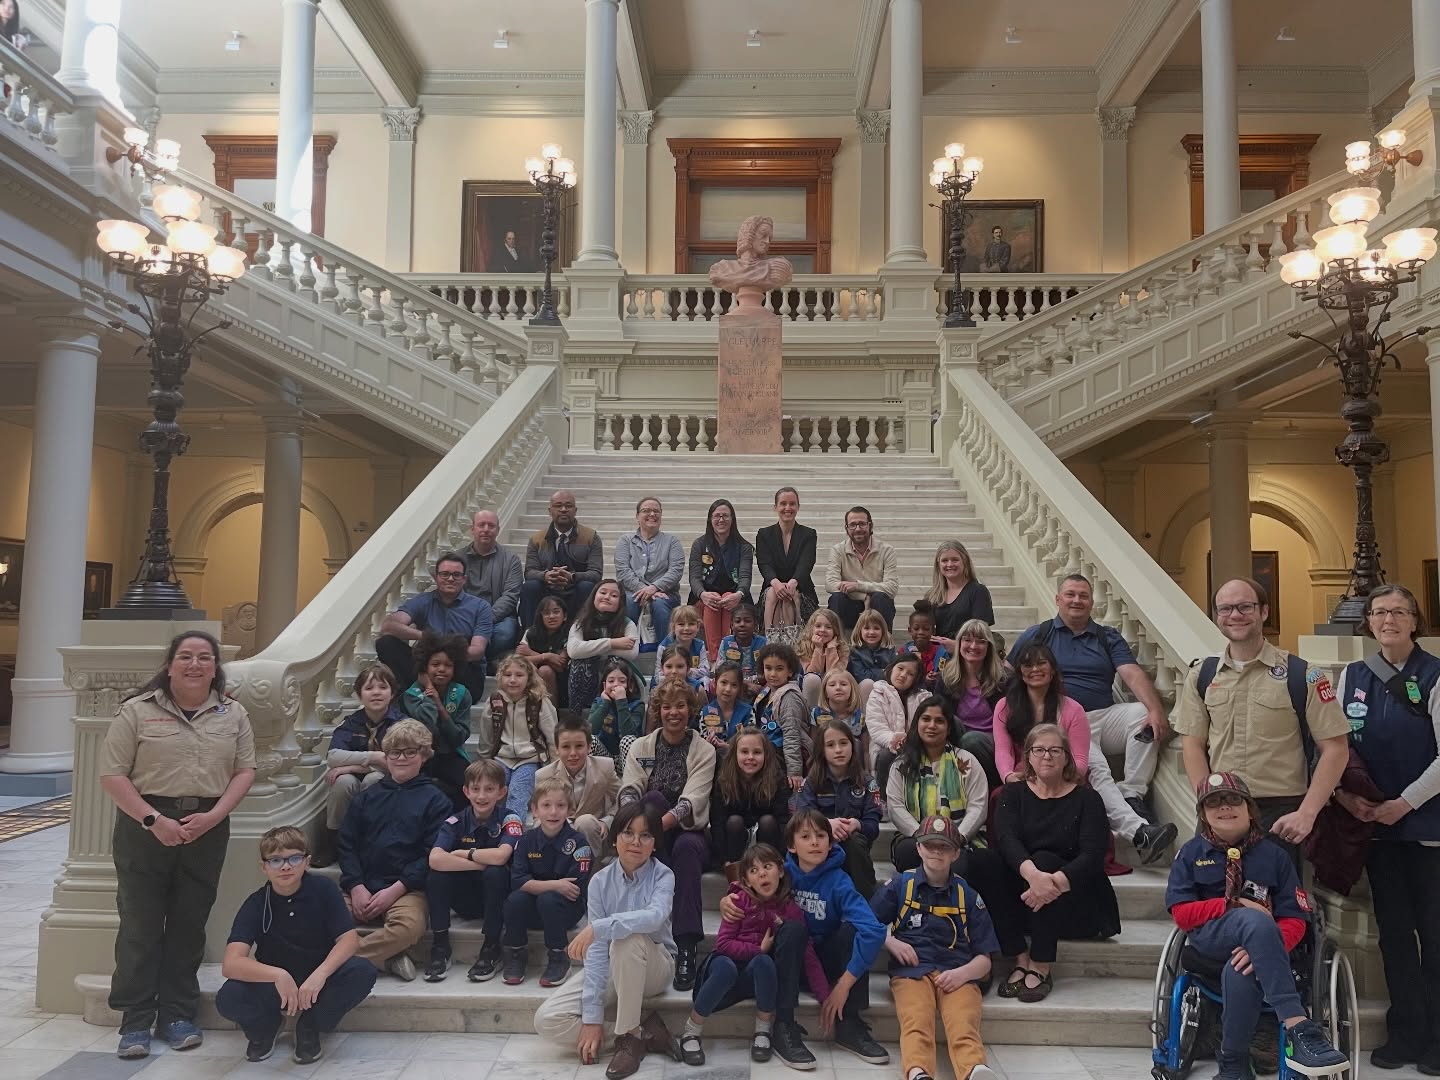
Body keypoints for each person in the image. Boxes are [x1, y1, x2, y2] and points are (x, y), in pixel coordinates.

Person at [99, 631, 257, 1058]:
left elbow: (244, 771)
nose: (194, 664)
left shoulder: (234, 714)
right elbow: (113, 775)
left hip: (206, 826)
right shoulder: (135, 712)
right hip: (144, 825)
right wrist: (154, 820)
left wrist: (214, 816)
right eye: (185, 656)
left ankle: (177, 1015)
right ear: (170, 665)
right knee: (140, 924)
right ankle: (135, 1021)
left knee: (189, 924)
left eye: (204, 657)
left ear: (215, 667)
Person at [1167, 773, 1349, 1080]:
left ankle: (1233, 1066)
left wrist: (1264, 948)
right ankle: (1298, 1028)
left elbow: (1295, 918)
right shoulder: (1189, 854)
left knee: (1240, 970)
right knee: (1252, 917)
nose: (1224, 808)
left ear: (1250, 809)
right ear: (1203, 815)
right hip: (1211, 938)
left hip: (1264, 949)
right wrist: (1230, 905)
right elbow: (1183, 915)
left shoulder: (1276, 856)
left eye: (1233, 800)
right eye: (1213, 803)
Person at [1333, 585, 1440, 1072]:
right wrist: (1343, 796)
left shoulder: (1435, 674)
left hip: (1427, 830)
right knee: (1394, 934)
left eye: (1398, 611)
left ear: (1414, 620)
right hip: (1375, 830)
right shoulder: (1352, 677)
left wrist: (1406, 803)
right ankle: (1406, 1033)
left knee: (1435, 935)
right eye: (1378, 613)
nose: (1387, 619)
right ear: (1368, 623)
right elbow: (1331, 746)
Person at [1176, 577, 1349, 863]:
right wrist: (1206, 801)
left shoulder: (1303, 675)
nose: (1235, 615)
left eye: (1245, 606)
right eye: (1226, 608)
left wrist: (1307, 813)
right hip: (1220, 809)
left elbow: (1336, 749)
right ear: (1217, 616)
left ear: (1264, 611)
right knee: (1215, 902)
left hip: (1280, 816)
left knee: (1280, 905)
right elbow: (1192, 745)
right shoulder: (1202, 675)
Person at [966, 724, 1120, 1004]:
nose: (1046, 756)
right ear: (1028, 757)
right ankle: (1019, 956)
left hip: (1074, 899)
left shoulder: (1087, 798)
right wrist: (1034, 876)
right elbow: (1006, 840)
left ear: (1066, 758)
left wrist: (1053, 882)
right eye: (1039, 750)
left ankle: (1041, 963)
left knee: (1046, 859)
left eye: (1055, 750)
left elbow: (1093, 854)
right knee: (983, 860)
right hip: (1026, 897)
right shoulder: (1012, 795)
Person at [533, 803, 683, 1080]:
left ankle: (628, 1036)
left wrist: (599, 927)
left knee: (627, 940)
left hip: (656, 966)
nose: (636, 842)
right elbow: (599, 950)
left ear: (654, 844)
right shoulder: (600, 881)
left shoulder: (664, 875)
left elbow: (653, 918)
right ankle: (642, 1033)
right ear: (614, 838)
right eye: (628, 833)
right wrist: (591, 1018)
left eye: (645, 835)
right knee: (547, 1020)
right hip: (616, 964)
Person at [992, 643, 1176, 864]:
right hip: (1024, 775)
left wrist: (1058, 776)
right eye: (1028, 664)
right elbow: (1002, 750)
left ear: (1053, 670)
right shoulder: (1005, 706)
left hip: (1062, 773)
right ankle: (1138, 831)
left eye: (1041, 663)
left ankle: (1137, 827)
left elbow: (1079, 760)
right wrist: (1009, 776)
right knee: (1000, 797)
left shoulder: (1072, 709)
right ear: (1020, 671)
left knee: (1094, 782)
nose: (1035, 669)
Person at [1009, 573, 1167, 821]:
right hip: (1064, 720)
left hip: (1104, 716)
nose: (1077, 600)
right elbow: (1010, 671)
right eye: (1070, 594)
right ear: (1058, 599)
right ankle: (1135, 826)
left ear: (1092, 602)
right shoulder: (1038, 634)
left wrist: (1156, 710)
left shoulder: (1107, 636)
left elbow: (1132, 674)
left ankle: (1132, 793)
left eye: (1083, 595)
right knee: (1098, 766)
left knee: (1141, 713)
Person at [216, 827, 375, 1066]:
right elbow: (231, 963)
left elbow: (349, 939)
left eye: (294, 858)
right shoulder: (256, 903)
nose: (285, 867)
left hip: (318, 980)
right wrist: (278, 975)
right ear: (264, 867)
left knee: (362, 971)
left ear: (306, 862)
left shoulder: (324, 890)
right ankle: (266, 1027)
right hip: (276, 985)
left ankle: (310, 1026)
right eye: (276, 860)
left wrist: (320, 974)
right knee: (228, 997)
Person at [871, 815, 1000, 1080]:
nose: (936, 852)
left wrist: (963, 974)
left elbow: (985, 959)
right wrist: (890, 941)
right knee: (917, 1020)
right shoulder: (900, 885)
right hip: (911, 973)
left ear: (955, 853)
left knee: (963, 1021)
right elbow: (867, 922)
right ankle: (918, 1073)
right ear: (918, 848)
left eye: (945, 847)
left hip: (957, 973)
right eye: (930, 845)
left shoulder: (968, 896)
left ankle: (974, 1070)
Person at [682, 842, 829, 1066]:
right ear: (747, 881)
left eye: (767, 866)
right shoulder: (738, 902)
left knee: (764, 963)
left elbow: (806, 952)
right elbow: (723, 944)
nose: (761, 873)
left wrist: (824, 995)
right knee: (728, 968)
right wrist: (757, 949)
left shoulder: (789, 910)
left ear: (780, 871)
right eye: (753, 870)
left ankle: (763, 1030)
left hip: (753, 973)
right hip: (724, 963)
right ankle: (691, 1030)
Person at [768, 810, 889, 1066]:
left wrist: (843, 985)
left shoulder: (839, 881)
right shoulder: (780, 875)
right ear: (791, 846)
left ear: (830, 842)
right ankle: (783, 1025)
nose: (815, 842)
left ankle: (849, 1024)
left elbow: (874, 930)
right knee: (792, 930)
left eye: (821, 836)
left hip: (824, 963)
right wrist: (727, 900)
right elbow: (746, 891)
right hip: (788, 963)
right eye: (806, 836)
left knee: (853, 930)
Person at [618, 680, 718, 991]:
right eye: (666, 706)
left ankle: (686, 946)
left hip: (690, 832)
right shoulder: (641, 746)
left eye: (680, 706)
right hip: (649, 833)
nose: (673, 712)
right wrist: (637, 828)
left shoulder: (705, 750)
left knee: (686, 848)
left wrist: (650, 829)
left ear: (691, 710)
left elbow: (692, 801)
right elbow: (629, 790)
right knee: (653, 800)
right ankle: (652, 934)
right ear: (658, 710)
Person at [337, 719, 453, 983]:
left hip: (405, 889)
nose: (401, 758)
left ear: (424, 756)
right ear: (386, 756)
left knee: (408, 928)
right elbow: (346, 843)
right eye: (395, 752)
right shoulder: (366, 797)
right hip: (362, 885)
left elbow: (430, 854)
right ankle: (387, 958)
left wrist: (397, 888)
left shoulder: (437, 801)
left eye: (410, 752)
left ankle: (336, 961)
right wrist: (355, 886)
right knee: (319, 917)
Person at [423, 759, 523, 983]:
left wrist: (464, 854)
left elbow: (502, 856)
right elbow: (435, 859)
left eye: (489, 789)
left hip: (498, 899)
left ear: (502, 792)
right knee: (436, 875)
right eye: (476, 789)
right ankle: (440, 945)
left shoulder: (510, 819)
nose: (481, 796)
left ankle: (491, 946)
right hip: (466, 900)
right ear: (466, 791)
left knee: (496, 873)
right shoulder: (455, 821)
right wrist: (482, 861)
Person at [503, 778, 593, 987]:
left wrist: (538, 886)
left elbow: (573, 889)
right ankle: (516, 954)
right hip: (532, 911)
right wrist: (555, 884)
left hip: (565, 911)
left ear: (570, 810)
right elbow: (517, 881)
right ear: (534, 810)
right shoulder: (526, 841)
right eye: (546, 805)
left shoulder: (579, 844)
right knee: (515, 900)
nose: (553, 812)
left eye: (560, 805)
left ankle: (558, 957)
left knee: (548, 900)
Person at [887, 697, 989, 874]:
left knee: (965, 861)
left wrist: (956, 837)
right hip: (916, 838)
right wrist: (923, 836)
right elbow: (895, 806)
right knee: (906, 852)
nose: (932, 725)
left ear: (949, 728)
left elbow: (978, 806)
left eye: (939, 721)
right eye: (926, 719)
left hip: (959, 839)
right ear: (917, 723)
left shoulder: (966, 761)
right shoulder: (902, 765)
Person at [377, 552, 494, 702]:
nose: (450, 579)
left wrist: (444, 658)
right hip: (428, 668)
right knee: (386, 643)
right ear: (435, 577)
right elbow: (389, 625)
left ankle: (422, 691)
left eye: (456, 575)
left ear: (464, 579)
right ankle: (418, 691)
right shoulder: (423, 601)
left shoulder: (480, 607)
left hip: (462, 671)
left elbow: (477, 651)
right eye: (445, 574)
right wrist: (425, 636)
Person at [319, 661, 402, 866]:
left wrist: (351, 765)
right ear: (359, 695)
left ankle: (368, 840)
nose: (376, 693)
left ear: (392, 694)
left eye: (383, 687)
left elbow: (394, 762)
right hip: (358, 776)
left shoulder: (401, 724)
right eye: (369, 688)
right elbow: (333, 757)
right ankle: (335, 840)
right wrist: (374, 757)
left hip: (389, 781)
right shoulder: (351, 722)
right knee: (342, 783)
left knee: (373, 780)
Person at [798, 720, 881, 899]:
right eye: (830, 745)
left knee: (855, 841)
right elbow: (802, 816)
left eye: (843, 743)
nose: (838, 750)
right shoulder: (812, 781)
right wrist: (826, 825)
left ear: (853, 746)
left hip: (854, 849)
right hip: (820, 844)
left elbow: (873, 827)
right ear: (822, 750)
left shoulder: (868, 783)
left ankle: (866, 900)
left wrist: (857, 824)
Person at [401, 633, 473, 806]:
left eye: (448, 665)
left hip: (451, 753)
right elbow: (427, 724)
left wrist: (439, 705)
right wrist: (428, 690)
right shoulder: (411, 695)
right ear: (424, 667)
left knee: (469, 782)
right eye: (435, 664)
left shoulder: (461, 693)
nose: (442, 669)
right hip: (420, 755)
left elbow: (458, 737)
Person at [484, 655, 557, 819]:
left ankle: (512, 831)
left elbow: (553, 737)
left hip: (528, 759)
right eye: (508, 674)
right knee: (490, 788)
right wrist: (484, 760)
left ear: (529, 678)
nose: (512, 680)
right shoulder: (495, 701)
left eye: (519, 675)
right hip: (502, 758)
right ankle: (489, 826)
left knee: (517, 791)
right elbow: (486, 734)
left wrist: (555, 767)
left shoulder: (539, 702)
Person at [536, 712, 620, 853]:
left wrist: (607, 821)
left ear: (589, 747)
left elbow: (621, 800)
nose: (573, 753)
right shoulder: (544, 775)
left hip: (592, 831)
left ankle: (589, 873)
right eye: (566, 747)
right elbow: (538, 814)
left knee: (585, 822)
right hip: (558, 831)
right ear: (557, 749)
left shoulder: (605, 767)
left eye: (579, 746)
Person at [939, 619, 1008, 790]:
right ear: (959, 643)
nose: (973, 646)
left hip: (991, 744)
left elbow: (1012, 723)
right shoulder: (946, 677)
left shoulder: (1003, 679)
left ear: (989, 647)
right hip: (957, 740)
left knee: (972, 740)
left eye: (980, 641)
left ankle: (984, 789)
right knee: (948, 719)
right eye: (967, 640)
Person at [521, 489, 604, 627]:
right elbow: (529, 572)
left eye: (568, 506)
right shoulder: (537, 539)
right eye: (558, 506)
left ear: (575, 510)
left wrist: (572, 577)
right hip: (547, 589)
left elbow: (596, 574)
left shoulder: (591, 537)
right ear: (550, 510)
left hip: (576, 589)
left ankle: (581, 634)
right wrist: (546, 575)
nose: (564, 509)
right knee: (530, 587)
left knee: (587, 586)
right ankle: (529, 636)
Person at [711, 727, 790, 868]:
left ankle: (768, 863)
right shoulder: (724, 778)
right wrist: (722, 858)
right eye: (744, 752)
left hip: (767, 834)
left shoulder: (776, 777)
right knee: (734, 821)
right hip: (734, 833)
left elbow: (783, 819)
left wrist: (784, 856)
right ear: (735, 753)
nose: (750, 757)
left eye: (757, 752)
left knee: (768, 821)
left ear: (766, 754)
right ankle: (733, 865)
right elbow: (718, 821)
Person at [690, 498, 755, 658]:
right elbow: (694, 578)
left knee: (726, 600)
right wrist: (703, 595)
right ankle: (715, 658)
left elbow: (745, 577)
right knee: (714, 602)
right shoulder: (699, 545)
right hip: (704, 597)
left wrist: (738, 595)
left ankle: (726, 655)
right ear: (710, 519)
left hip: (736, 597)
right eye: (717, 516)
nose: (721, 520)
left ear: (732, 519)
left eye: (725, 516)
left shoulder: (744, 547)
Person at [615, 496, 686, 643]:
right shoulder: (625, 541)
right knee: (630, 601)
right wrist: (645, 590)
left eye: (656, 511)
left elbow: (676, 571)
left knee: (659, 605)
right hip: (631, 591)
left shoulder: (672, 541)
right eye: (646, 511)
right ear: (637, 516)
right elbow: (623, 571)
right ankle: (628, 650)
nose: (652, 514)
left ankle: (666, 653)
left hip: (666, 593)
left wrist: (654, 588)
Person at [567, 578, 641, 709]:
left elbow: (632, 652)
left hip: (615, 680)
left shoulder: (627, 624)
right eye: (603, 592)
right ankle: (577, 714)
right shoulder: (581, 622)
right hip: (588, 678)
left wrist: (590, 647)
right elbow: (573, 651)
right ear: (594, 596)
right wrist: (613, 643)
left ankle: (616, 709)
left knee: (616, 661)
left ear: (620, 602)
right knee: (580, 662)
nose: (607, 597)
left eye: (614, 595)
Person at [461, 509, 523, 659]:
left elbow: (510, 596)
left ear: (498, 530)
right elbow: (453, 593)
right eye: (481, 525)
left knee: (504, 634)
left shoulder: (511, 560)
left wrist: (485, 619)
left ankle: (481, 660)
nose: (486, 530)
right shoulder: (457, 558)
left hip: (499, 617)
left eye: (491, 526)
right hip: (465, 615)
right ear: (472, 529)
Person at [825, 506, 899, 630]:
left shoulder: (886, 550)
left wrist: (857, 585)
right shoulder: (838, 550)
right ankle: (837, 645)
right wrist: (864, 596)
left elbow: (892, 588)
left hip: (877, 606)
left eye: (862, 524)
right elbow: (830, 584)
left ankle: (884, 646)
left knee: (880, 598)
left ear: (870, 525)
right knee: (837, 598)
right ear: (846, 528)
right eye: (853, 525)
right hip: (849, 607)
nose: (858, 529)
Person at [755, 486, 818, 632]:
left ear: (798, 507)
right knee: (773, 592)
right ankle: (772, 640)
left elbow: (806, 563)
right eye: (783, 503)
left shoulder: (809, 534)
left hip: (801, 589)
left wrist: (792, 583)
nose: (787, 508)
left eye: (792, 503)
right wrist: (776, 583)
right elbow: (764, 563)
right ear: (775, 507)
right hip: (772, 588)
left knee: (791, 595)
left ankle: (791, 644)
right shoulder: (764, 534)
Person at [867, 653, 927, 794]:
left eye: (910, 674)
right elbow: (877, 729)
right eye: (900, 668)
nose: (903, 675)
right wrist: (896, 741)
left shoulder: (922, 697)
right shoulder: (878, 693)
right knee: (885, 756)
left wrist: (912, 742)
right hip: (887, 745)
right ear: (891, 668)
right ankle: (882, 798)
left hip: (915, 745)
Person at [753, 641, 809, 789]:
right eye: (768, 668)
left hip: (781, 754)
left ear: (790, 671)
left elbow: (792, 736)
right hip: (764, 747)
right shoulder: (765, 692)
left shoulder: (789, 697)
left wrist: (795, 772)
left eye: (779, 669)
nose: (772, 674)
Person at [926, 541, 996, 652]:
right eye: (945, 560)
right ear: (938, 565)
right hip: (936, 655)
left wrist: (957, 646)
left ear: (965, 562)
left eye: (955, 560)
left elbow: (981, 632)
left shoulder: (978, 591)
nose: (949, 564)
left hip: (968, 654)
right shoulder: (931, 595)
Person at [589, 657, 647, 770]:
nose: (616, 684)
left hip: (628, 759)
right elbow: (590, 729)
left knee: (628, 740)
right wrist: (605, 704)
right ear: (605, 685)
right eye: (611, 681)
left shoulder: (637, 705)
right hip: (605, 758)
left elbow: (629, 734)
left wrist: (621, 702)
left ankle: (629, 783)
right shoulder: (599, 702)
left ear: (630, 686)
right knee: (589, 739)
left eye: (622, 681)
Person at [516, 595, 570, 704]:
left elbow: (560, 665)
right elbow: (518, 661)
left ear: (564, 616)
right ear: (540, 616)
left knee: (545, 670)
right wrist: (548, 656)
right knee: (530, 668)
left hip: (562, 683)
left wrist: (531, 654)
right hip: (534, 679)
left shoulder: (570, 633)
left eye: (556, 612)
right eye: (546, 613)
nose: (551, 616)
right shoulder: (531, 632)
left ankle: (551, 714)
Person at [652, 606, 712, 694]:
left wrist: (688, 672)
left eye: (691, 624)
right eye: (681, 624)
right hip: (668, 683)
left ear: (698, 626)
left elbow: (706, 670)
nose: (686, 628)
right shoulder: (664, 647)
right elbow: (658, 675)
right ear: (673, 627)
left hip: (691, 681)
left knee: (705, 681)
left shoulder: (700, 645)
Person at [798, 608, 849, 706]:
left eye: (828, 627)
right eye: (818, 626)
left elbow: (834, 675)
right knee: (813, 679)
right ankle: (811, 716)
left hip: (834, 690)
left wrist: (831, 649)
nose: (822, 630)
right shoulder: (804, 646)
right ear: (811, 628)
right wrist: (818, 648)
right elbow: (811, 674)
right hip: (810, 691)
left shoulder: (842, 648)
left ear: (835, 630)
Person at [698, 662, 753, 749]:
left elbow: (750, 744)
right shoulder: (705, 712)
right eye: (723, 683)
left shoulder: (748, 712)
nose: (728, 689)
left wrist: (728, 747)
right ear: (715, 684)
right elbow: (702, 745)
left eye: (734, 685)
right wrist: (708, 743)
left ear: (739, 688)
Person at [717, 602, 766, 697]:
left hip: (758, 684)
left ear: (755, 624)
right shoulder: (726, 642)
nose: (742, 624)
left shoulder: (763, 643)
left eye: (747, 621)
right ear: (731, 625)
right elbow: (720, 671)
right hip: (732, 684)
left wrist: (753, 682)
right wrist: (745, 684)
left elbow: (766, 673)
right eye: (738, 621)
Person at [848, 609, 897, 704]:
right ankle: (864, 717)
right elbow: (861, 675)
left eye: (876, 628)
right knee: (868, 683)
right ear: (859, 630)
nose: (871, 632)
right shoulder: (854, 651)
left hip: (885, 690)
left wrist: (884, 673)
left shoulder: (889, 650)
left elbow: (892, 673)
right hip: (862, 690)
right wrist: (883, 672)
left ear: (883, 630)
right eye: (866, 628)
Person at [902, 601, 951, 694]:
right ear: (909, 630)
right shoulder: (904, 651)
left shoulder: (941, 653)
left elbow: (943, 671)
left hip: (934, 696)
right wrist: (923, 680)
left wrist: (936, 676)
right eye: (916, 629)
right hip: (909, 694)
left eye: (926, 629)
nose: (921, 632)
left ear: (933, 630)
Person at [812, 669, 865, 747]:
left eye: (843, 684)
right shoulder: (817, 714)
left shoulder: (859, 717)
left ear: (852, 689)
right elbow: (814, 746)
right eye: (832, 685)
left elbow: (865, 750)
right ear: (825, 692)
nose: (838, 688)